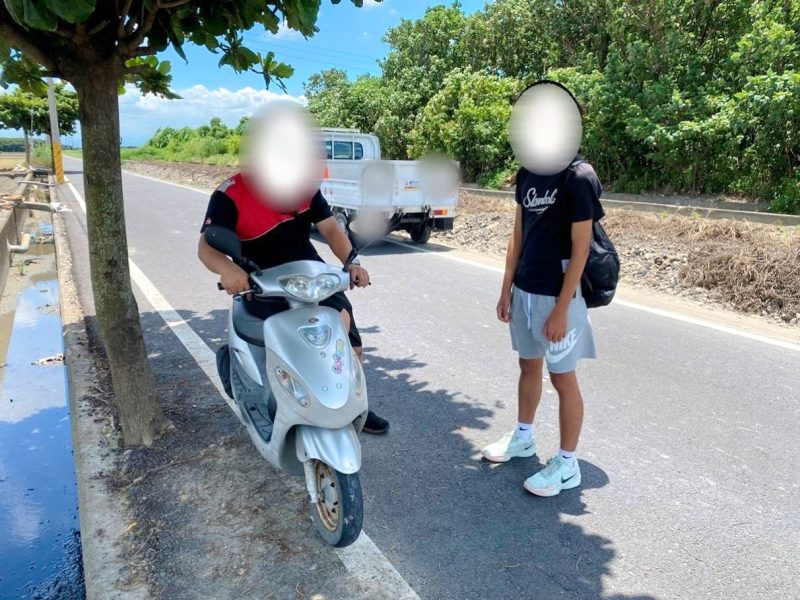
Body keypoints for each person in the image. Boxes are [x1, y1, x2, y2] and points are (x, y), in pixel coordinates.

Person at [197, 172, 390, 434]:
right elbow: (206, 247)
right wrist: (227, 269)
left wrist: (351, 262)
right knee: (275, 352)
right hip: (261, 282)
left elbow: (331, 229)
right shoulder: (230, 193)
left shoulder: (304, 186)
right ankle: (274, 401)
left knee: (348, 346)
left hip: (310, 277)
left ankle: (354, 406)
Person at [482, 154, 604, 496]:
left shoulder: (579, 176)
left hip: (559, 295)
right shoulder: (528, 173)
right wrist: (506, 289)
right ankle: (523, 437)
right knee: (528, 364)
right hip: (525, 290)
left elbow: (581, 249)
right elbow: (518, 235)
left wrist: (562, 310)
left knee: (563, 377)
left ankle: (567, 464)